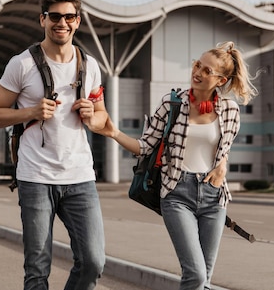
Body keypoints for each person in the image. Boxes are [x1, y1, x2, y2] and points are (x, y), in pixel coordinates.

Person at [90, 41, 258, 290]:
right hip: (176, 193)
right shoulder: (172, 104)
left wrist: (222, 165)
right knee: (196, 274)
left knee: (205, 278)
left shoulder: (230, 111)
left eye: (207, 71)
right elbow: (145, 147)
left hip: (214, 197)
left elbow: (222, 148)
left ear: (221, 81)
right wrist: (113, 132)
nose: (198, 73)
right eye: (197, 65)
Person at [0, 0, 108, 290]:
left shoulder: (90, 66)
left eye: (69, 17)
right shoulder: (22, 64)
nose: (61, 23)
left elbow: (103, 119)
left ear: (78, 21)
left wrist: (93, 113)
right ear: (43, 19)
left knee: (93, 261)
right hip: (36, 177)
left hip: (79, 176)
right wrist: (29, 112)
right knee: (37, 269)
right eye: (54, 16)